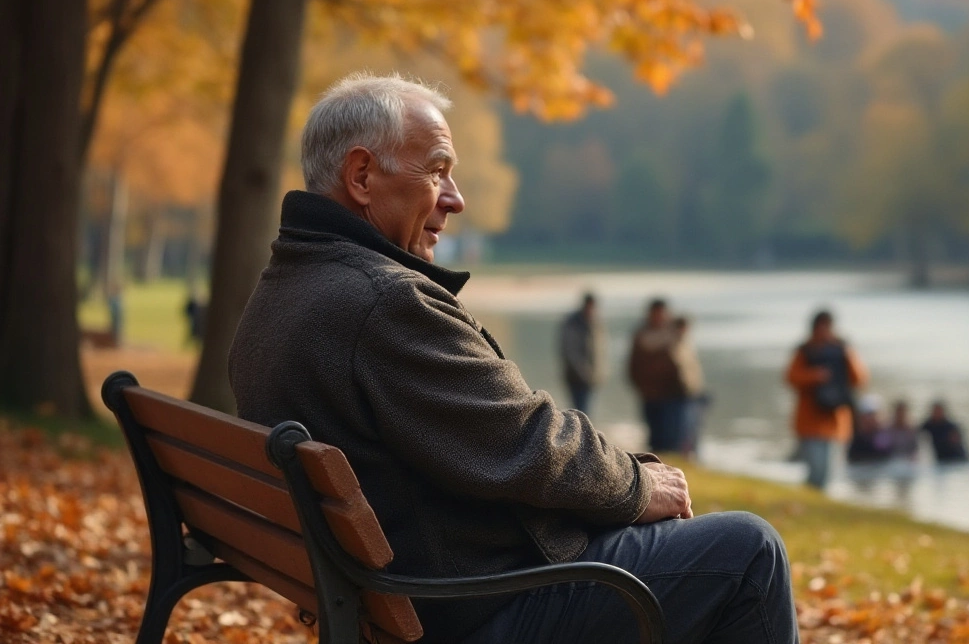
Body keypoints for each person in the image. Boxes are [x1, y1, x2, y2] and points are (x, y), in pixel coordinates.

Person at [229, 73, 797, 644]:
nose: (455, 198)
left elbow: (492, 439)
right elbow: (525, 442)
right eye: (436, 170)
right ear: (361, 176)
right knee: (749, 552)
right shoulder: (382, 301)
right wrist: (636, 485)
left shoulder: (283, 291)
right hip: (473, 608)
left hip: (406, 597)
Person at [786, 310, 869, 489]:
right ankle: (811, 503)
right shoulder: (805, 351)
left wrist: (846, 354)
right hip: (810, 423)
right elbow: (791, 378)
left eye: (827, 327)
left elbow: (860, 379)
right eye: (820, 327)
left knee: (829, 474)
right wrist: (815, 376)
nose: (824, 332)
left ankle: (818, 502)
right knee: (816, 472)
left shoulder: (842, 350)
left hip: (835, 423)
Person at [627, 299, 688, 453]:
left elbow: (684, 366)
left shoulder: (673, 334)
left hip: (672, 395)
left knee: (671, 436)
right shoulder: (642, 335)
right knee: (656, 436)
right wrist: (640, 386)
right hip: (650, 394)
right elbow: (633, 365)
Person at [559, 292, 604, 415]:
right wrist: (584, 373)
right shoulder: (573, 323)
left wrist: (599, 372)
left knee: (587, 412)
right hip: (576, 378)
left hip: (592, 378)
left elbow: (599, 349)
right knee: (580, 413)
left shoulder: (594, 322)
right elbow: (570, 351)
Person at [671, 316, 709, 458]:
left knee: (693, 429)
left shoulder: (686, 344)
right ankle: (686, 454)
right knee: (685, 430)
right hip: (682, 396)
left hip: (693, 393)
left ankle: (692, 454)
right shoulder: (673, 345)